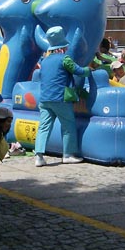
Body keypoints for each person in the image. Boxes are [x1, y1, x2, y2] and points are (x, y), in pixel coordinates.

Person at [34, 26, 91, 167]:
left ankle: (39, 156)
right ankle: (68, 154)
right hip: (60, 98)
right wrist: (88, 70)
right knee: (68, 125)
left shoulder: (44, 61)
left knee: (44, 127)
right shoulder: (65, 59)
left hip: (44, 99)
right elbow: (78, 71)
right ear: (63, 47)